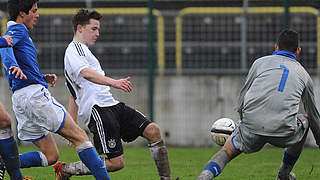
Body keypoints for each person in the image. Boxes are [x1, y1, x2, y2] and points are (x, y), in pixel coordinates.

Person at [53, 9, 172, 180]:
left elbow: (73, 95)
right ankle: (67, 170)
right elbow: (86, 73)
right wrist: (114, 82)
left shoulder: (84, 52)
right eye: (93, 29)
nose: (97, 33)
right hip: (98, 109)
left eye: (98, 29)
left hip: (111, 105)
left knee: (153, 130)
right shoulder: (75, 49)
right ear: (80, 28)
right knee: (117, 163)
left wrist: (72, 128)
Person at [0, 1, 111, 179]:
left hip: (21, 97)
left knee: (51, 155)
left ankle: (5, 162)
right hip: (34, 96)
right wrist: (12, 65)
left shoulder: (18, 32)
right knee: (81, 137)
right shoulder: (17, 30)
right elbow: (5, 48)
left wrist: (40, 77)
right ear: (22, 13)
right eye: (34, 11)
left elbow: (16, 58)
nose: (37, 15)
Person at [197, 29, 320, 180]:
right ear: (298, 51)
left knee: (226, 152)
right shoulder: (304, 75)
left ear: (276, 47)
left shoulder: (259, 63)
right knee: (305, 120)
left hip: (252, 127)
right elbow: (313, 115)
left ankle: (204, 177)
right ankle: (283, 174)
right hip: (283, 130)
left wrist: (242, 121)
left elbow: (243, 97)